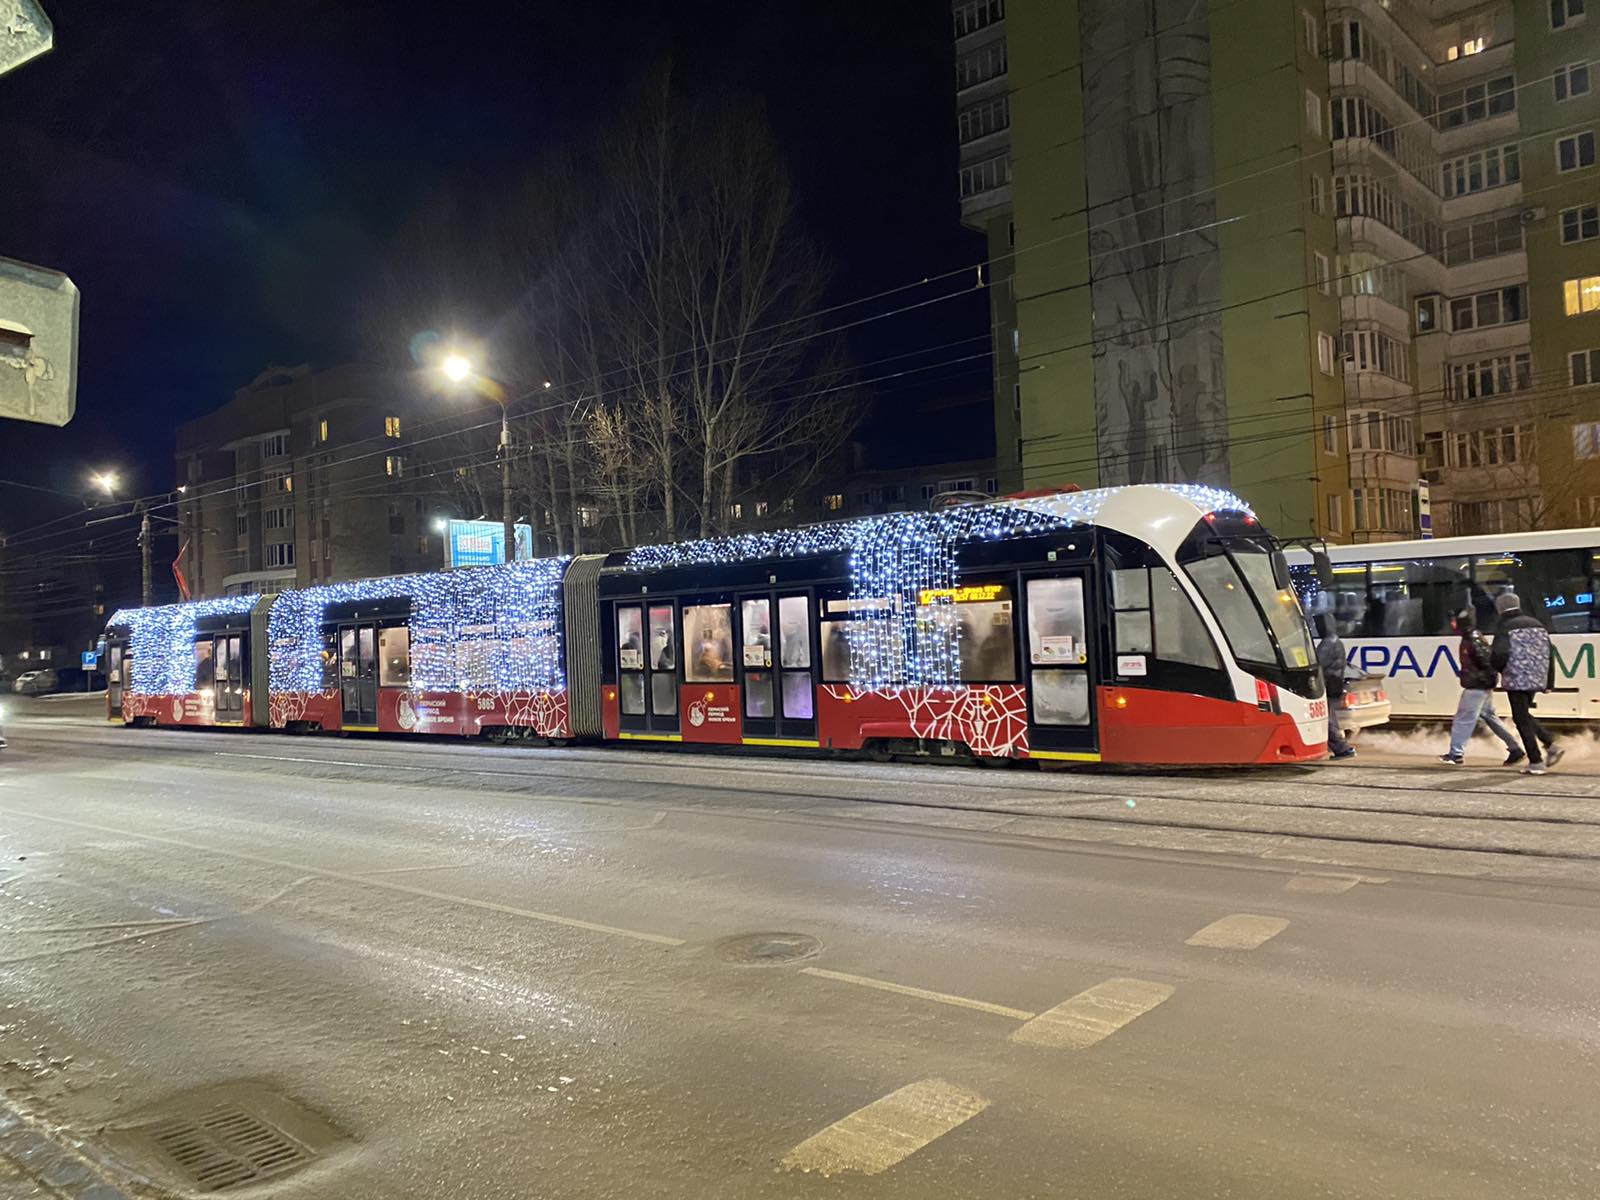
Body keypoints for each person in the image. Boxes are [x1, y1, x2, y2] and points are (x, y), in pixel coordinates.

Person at [1490, 592, 1564, 775]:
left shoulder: (1505, 626)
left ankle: (1536, 761)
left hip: (1517, 679)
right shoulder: (1536, 623)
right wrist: (1549, 681)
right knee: (1522, 716)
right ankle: (1550, 744)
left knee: (1520, 719)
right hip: (1537, 678)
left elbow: (1500, 654)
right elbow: (1550, 653)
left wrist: (1497, 669)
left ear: (1500, 608)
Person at [1438, 609, 1524, 766]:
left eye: (1454, 621)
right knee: (1489, 717)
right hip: (1480, 684)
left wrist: (1482, 681)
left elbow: (1487, 662)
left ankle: (1456, 754)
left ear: (1461, 623)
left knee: (1463, 718)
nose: (1451, 625)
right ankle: (1515, 748)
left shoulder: (1472, 639)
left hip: (1477, 686)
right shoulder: (1472, 637)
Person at [1315, 613, 1356, 760]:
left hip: (1326, 684)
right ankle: (1341, 747)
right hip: (1335, 683)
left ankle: (1342, 748)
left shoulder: (1327, 644)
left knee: (1326, 718)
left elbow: (1318, 664)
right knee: (1330, 717)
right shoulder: (1337, 641)